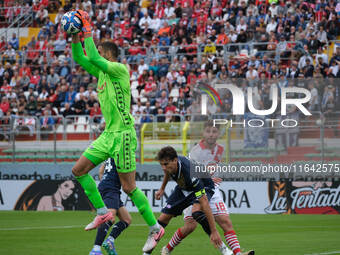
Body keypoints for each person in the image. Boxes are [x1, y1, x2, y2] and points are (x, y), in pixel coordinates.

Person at [70, 10, 163, 253]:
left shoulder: (119, 69)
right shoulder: (101, 74)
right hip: (108, 134)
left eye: (100, 52)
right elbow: (80, 57)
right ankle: (102, 213)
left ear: (108, 55)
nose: (96, 55)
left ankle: (155, 227)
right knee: (78, 170)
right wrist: (74, 36)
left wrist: (86, 27)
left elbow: (92, 56)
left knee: (129, 187)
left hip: (123, 134)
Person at [160, 121, 255, 255]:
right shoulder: (196, 151)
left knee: (225, 222)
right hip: (195, 191)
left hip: (212, 190)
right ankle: (167, 249)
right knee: (190, 226)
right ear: (203, 133)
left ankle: (237, 253)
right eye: (208, 131)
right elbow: (190, 173)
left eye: (214, 131)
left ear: (218, 134)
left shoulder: (221, 149)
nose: (211, 134)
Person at [144, 146, 223, 255]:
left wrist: (214, 231)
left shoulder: (189, 173)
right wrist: (162, 188)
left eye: (165, 164)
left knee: (196, 212)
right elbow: (167, 172)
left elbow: (204, 202)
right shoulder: (171, 165)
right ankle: (147, 253)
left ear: (175, 161)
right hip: (184, 188)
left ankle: (223, 248)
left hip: (204, 186)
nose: (163, 167)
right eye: (161, 164)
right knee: (162, 219)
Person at [89, 158, 131, 255]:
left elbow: (100, 170)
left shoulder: (111, 156)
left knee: (127, 220)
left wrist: (104, 182)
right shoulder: (122, 156)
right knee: (109, 218)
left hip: (109, 188)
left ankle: (110, 240)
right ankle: (96, 249)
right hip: (111, 189)